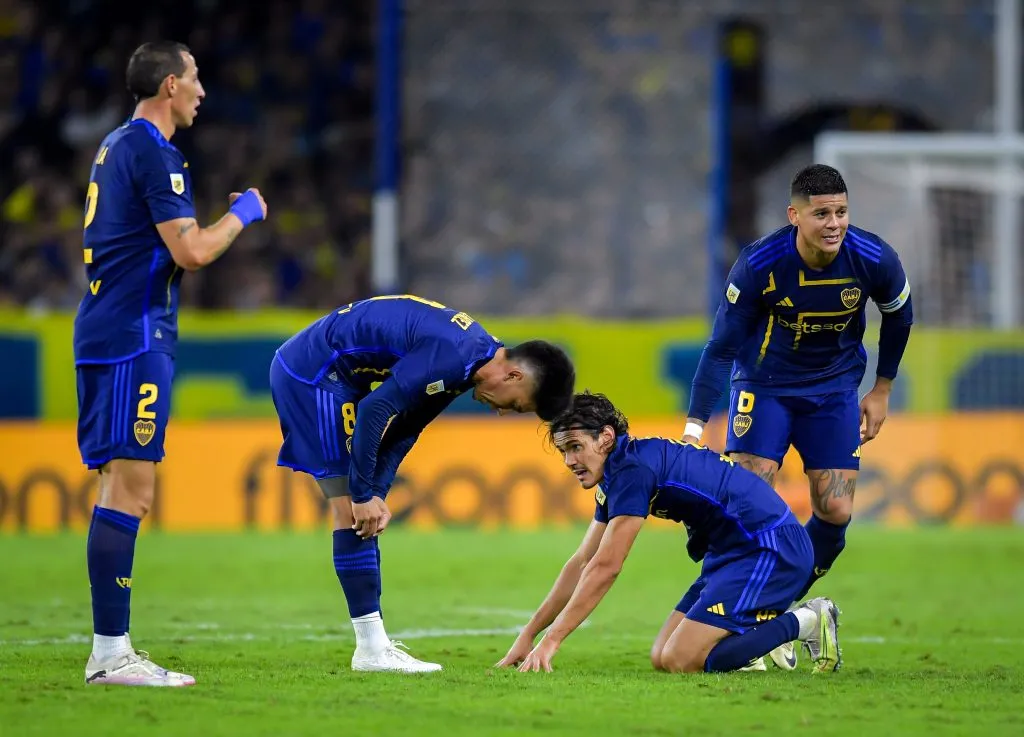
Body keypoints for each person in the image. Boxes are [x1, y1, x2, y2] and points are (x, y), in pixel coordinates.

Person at [75, 41, 267, 687]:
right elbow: (191, 251)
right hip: (134, 334)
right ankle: (111, 652)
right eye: (194, 77)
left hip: (105, 326)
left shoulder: (114, 144)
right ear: (167, 86)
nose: (202, 90)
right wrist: (244, 212)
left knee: (115, 485)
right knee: (133, 487)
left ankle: (110, 647)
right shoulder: (155, 153)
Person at [682, 164, 912, 669]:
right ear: (795, 216)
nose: (834, 223)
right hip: (764, 388)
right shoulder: (760, 264)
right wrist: (695, 426)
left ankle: (771, 615)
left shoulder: (874, 258)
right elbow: (721, 348)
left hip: (833, 391)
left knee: (836, 513)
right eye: (821, 213)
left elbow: (900, 316)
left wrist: (882, 389)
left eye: (842, 212)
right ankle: (722, 620)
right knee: (746, 506)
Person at [271, 294, 575, 673]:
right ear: (514, 376)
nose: (500, 412)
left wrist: (378, 491)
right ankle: (370, 649)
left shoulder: (468, 362)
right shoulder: (455, 356)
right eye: (514, 405)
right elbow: (374, 410)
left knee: (358, 509)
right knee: (350, 509)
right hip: (314, 374)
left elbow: (405, 430)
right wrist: (364, 494)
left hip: (339, 378)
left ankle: (374, 645)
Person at [496, 392, 841, 675]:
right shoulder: (619, 470)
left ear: (605, 438)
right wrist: (528, 636)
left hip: (769, 547)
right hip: (731, 554)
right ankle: (745, 646)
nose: (569, 461)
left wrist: (552, 641)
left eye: (575, 447)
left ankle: (808, 620)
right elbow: (582, 562)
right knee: (663, 657)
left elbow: (606, 567)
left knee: (682, 658)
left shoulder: (632, 471)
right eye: (563, 451)